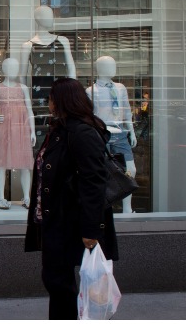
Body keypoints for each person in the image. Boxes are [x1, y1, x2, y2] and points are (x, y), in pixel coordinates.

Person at [24, 77, 118, 320]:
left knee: (61, 283)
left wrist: (91, 230)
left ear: (63, 100)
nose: (49, 103)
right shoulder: (60, 130)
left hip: (72, 221)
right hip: (56, 219)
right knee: (56, 280)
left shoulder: (81, 132)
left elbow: (94, 182)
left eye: (52, 98)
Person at [86, 56, 137, 213]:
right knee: (103, 170)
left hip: (120, 130)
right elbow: (90, 114)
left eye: (114, 65)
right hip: (102, 131)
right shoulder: (91, 91)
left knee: (130, 168)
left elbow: (126, 111)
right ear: (99, 68)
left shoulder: (120, 88)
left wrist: (131, 131)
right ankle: (104, 206)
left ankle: (127, 208)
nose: (113, 68)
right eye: (109, 65)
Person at [20, 5, 76, 149]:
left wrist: (73, 94)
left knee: (65, 133)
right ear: (38, 18)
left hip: (63, 94)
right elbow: (22, 77)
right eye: (48, 15)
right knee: (42, 136)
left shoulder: (63, 41)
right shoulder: (28, 45)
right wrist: (25, 101)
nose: (52, 18)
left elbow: (71, 69)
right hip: (40, 97)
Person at [0, 58, 36, 210]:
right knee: (1, 164)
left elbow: (30, 110)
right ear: (4, 70)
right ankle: (1, 197)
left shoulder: (23, 88)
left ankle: (27, 197)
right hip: (4, 129)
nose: (13, 70)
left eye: (16, 67)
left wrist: (32, 131)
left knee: (25, 165)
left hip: (21, 129)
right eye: (10, 67)